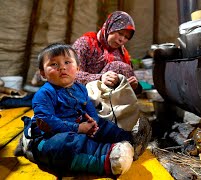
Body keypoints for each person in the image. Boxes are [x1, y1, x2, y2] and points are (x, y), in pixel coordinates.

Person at [14, 43, 151, 177]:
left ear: (78, 68)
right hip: (52, 134)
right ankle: (110, 158)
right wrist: (78, 128)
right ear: (43, 73)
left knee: (106, 126)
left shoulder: (80, 88)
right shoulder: (44, 94)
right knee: (66, 144)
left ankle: (130, 141)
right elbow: (48, 121)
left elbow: (90, 109)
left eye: (67, 62)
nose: (62, 67)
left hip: (82, 126)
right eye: (54, 64)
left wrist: (94, 124)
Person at [72, 11, 142, 94]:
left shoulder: (121, 52)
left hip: (112, 100)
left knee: (122, 66)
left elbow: (134, 85)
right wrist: (100, 78)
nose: (122, 39)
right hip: (84, 94)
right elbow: (71, 74)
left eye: (126, 37)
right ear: (110, 28)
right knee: (117, 66)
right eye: (120, 33)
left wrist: (135, 86)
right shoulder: (85, 43)